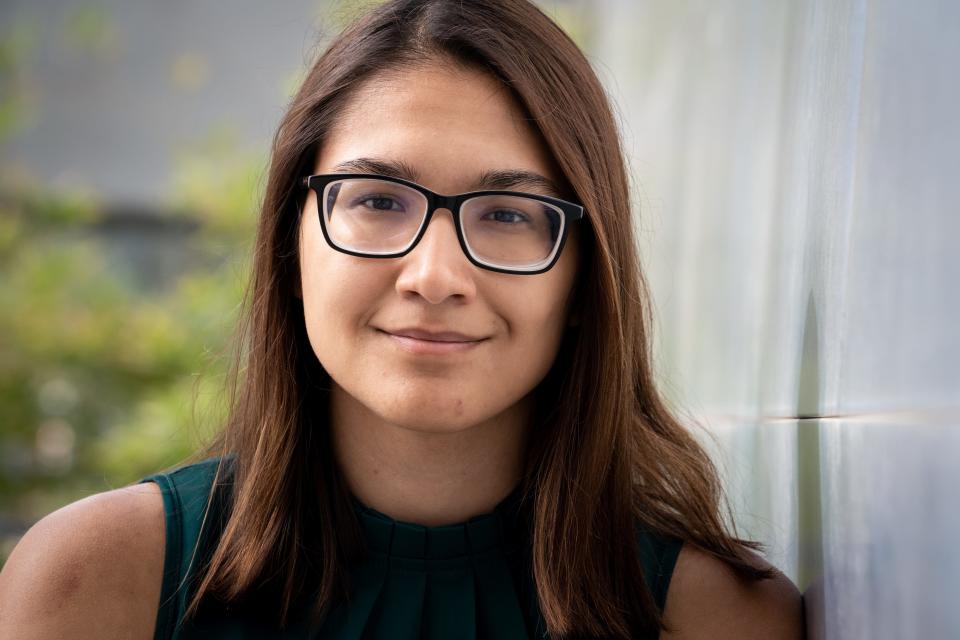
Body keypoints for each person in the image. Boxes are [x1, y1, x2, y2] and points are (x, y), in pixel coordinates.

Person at [0, 1, 804, 638]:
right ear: (293, 241)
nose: (434, 276)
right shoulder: (100, 581)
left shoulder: (713, 620)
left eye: (507, 213)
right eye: (379, 200)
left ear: (585, 273)